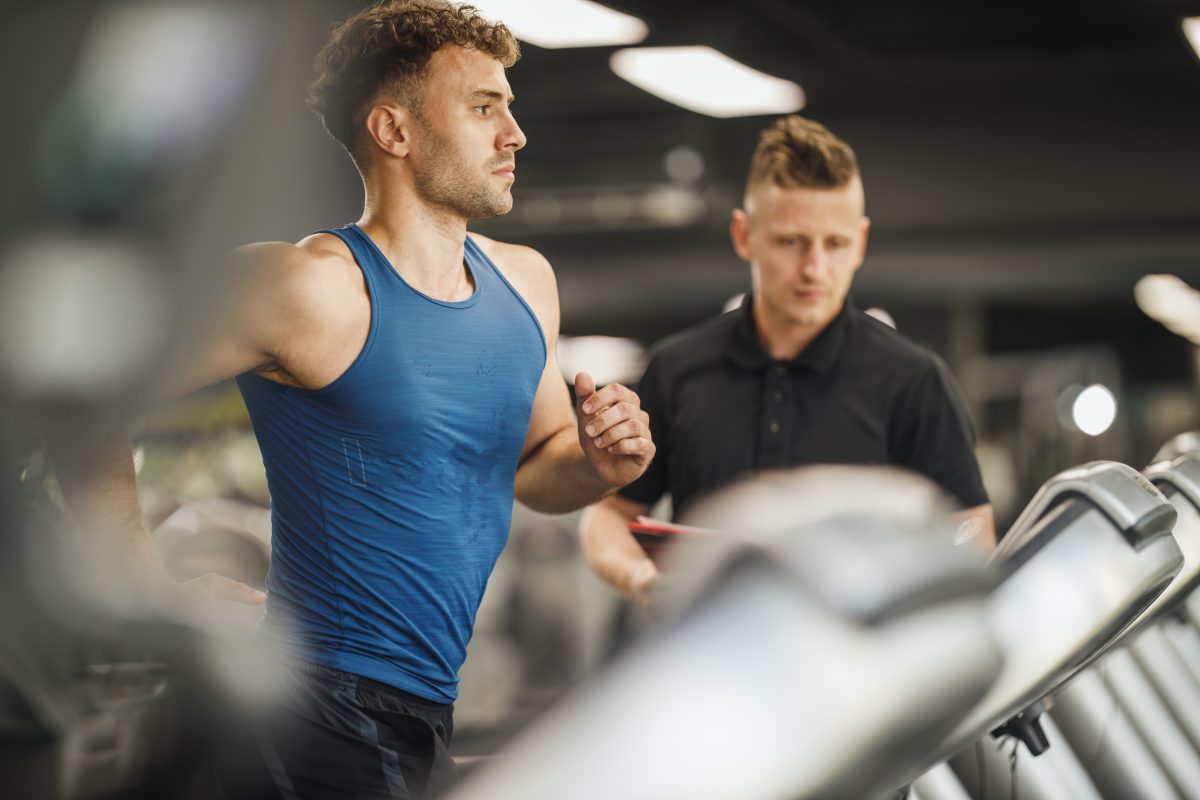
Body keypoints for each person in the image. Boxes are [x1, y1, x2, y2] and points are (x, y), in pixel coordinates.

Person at [50, 2, 654, 798]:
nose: (515, 135)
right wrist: (142, 587)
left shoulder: (526, 283)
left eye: (509, 108)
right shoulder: (306, 288)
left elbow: (537, 468)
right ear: (394, 131)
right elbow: (75, 387)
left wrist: (603, 463)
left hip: (429, 709)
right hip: (313, 711)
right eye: (483, 108)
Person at [581, 115, 993, 607]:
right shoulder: (678, 369)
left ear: (860, 242)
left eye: (835, 244)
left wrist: (904, 575)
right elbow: (609, 516)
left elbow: (972, 529)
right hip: (716, 658)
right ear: (744, 235)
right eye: (791, 242)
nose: (814, 268)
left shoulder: (914, 380)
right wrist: (638, 577)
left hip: (859, 669)